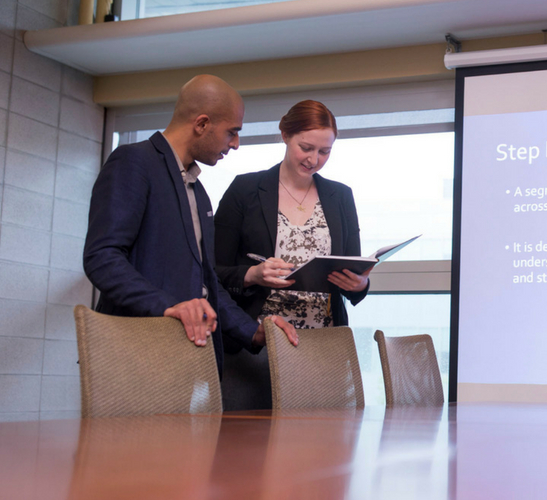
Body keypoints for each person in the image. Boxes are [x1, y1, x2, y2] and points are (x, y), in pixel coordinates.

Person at [83, 74, 298, 374]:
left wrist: (253, 331)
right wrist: (167, 306)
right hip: (133, 357)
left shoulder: (199, 192)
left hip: (181, 359)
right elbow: (102, 258)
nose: (235, 144)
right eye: (231, 132)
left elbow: (208, 285)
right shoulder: (133, 162)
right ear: (202, 124)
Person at [214, 100, 369, 410]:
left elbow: (353, 267)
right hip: (257, 340)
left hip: (322, 345)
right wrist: (252, 275)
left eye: (324, 152)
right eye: (306, 147)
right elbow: (212, 270)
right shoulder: (244, 190)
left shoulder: (341, 196)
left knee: (320, 449)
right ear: (285, 134)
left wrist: (360, 286)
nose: (314, 159)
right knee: (246, 447)